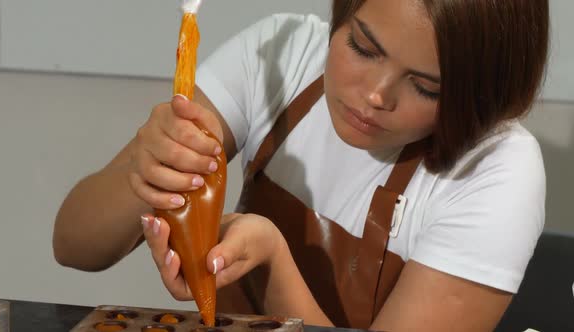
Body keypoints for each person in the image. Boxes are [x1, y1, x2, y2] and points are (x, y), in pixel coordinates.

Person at [52, 0, 550, 330]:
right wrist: (147, 168)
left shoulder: (498, 169)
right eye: (362, 47)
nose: (376, 95)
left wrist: (272, 264)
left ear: (484, 91)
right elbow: (73, 244)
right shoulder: (283, 55)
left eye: (426, 87)